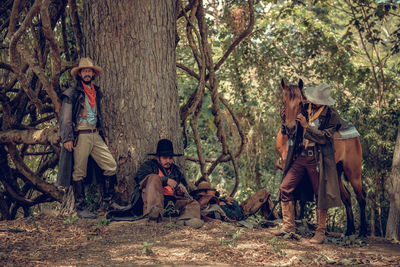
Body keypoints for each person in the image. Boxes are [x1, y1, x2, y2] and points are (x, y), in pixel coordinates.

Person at [279, 83, 342, 244]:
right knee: (285, 187)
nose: (313, 102)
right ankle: (288, 226)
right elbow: (291, 130)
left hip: (318, 158)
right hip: (300, 156)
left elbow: (325, 138)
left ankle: (320, 233)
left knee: (320, 194)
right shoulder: (305, 108)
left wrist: (307, 126)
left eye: (317, 99)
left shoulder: (331, 115)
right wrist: (286, 118)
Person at [57, 57, 117, 218]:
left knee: (111, 165)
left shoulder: (95, 91)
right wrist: (67, 138)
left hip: (95, 134)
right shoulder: (72, 93)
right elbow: (65, 118)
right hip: (81, 135)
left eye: (89, 71)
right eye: (84, 71)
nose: (87, 73)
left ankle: (109, 201)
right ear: (80, 74)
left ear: (93, 74)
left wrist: (103, 135)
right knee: (79, 173)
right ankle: (80, 207)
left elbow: (99, 116)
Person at [134, 139, 203, 228]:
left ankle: (186, 219)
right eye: (165, 158)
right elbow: (140, 178)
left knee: (193, 203)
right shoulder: (148, 166)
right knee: (153, 177)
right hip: (152, 201)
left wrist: (180, 191)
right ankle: (154, 215)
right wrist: (165, 180)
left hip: (170, 202)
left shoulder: (176, 170)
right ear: (157, 158)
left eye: (170, 158)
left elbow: (183, 185)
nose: (168, 161)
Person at [190, 181, 277, 222]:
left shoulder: (217, 201)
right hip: (243, 211)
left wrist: (224, 199)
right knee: (263, 194)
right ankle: (273, 218)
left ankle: (271, 216)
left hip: (240, 207)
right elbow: (236, 214)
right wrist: (232, 203)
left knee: (263, 193)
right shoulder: (211, 205)